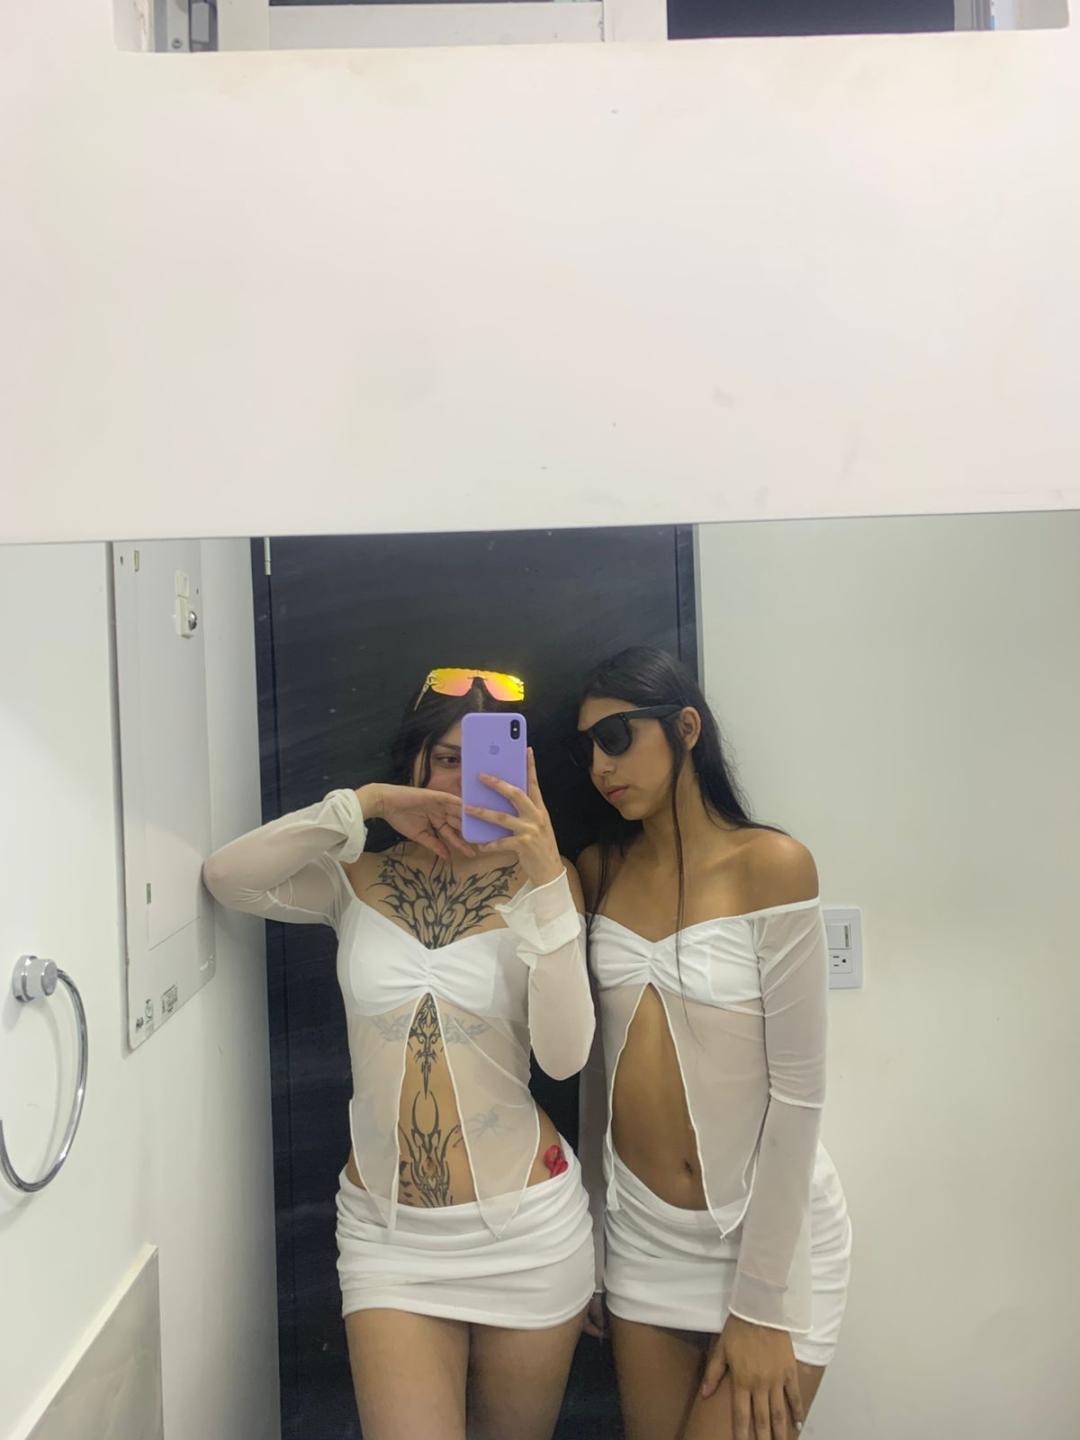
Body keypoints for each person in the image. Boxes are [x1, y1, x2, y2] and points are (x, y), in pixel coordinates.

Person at [202, 667, 596, 1440]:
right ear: (414, 758)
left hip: (527, 1233)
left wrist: (547, 873)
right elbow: (228, 878)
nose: (466, 780)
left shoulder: (545, 886)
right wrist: (370, 804)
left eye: (487, 761)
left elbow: (564, 1057)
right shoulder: (358, 876)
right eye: (446, 758)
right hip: (389, 1242)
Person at [574, 647, 852, 1440]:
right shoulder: (598, 870)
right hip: (645, 1241)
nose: (600, 766)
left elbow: (800, 1094)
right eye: (588, 747)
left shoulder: (772, 865)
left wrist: (761, 1305)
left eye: (617, 737)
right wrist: (595, 1235)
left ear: (686, 728)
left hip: (768, 1244)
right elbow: (594, 1070)